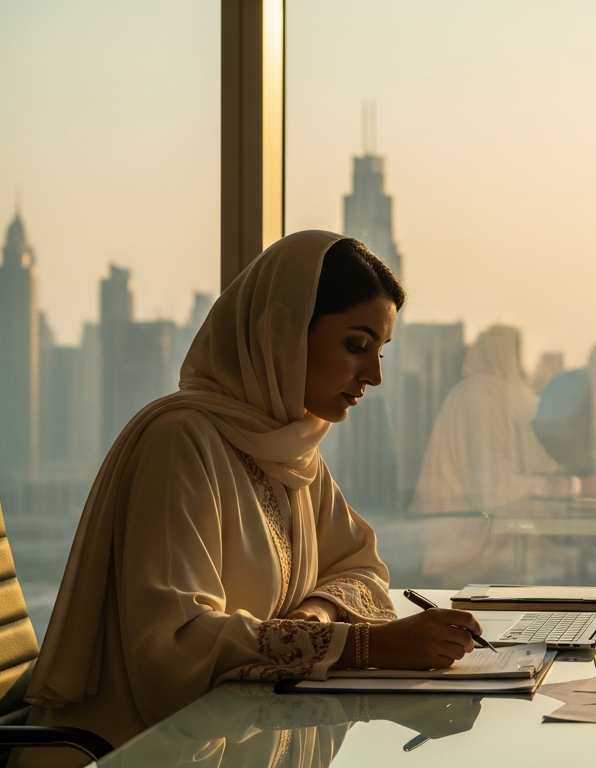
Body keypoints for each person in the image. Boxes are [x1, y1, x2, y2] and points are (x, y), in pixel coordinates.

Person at [20, 232, 484, 758]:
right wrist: (363, 646)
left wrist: (316, 615)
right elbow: (173, 650)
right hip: (133, 750)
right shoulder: (181, 442)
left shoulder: (289, 452)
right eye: (356, 345)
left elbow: (361, 567)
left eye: (380, 352)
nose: (373, 376)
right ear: (280, 334)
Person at [409, 324, 596, 516]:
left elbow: (542, 467)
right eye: (545, 357)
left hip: (494, 544)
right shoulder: (481, 397)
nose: (555, 366)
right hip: (465, 552)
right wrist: (581, 486)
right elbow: (494, 488)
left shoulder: (503, 402)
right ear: (511, 359)